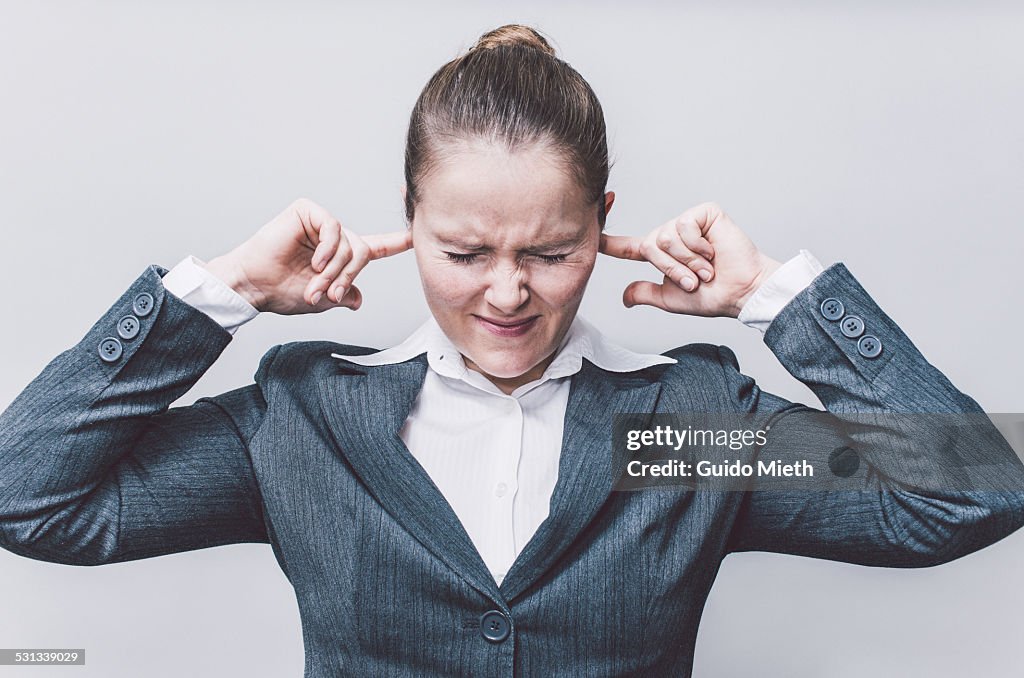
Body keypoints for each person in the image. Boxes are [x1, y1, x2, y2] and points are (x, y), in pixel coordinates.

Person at [1, 23, 1022, 677]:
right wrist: (213, 296)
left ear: (603, 222)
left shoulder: (683, 434)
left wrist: (776, 299)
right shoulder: (306, 421)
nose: (505, 292)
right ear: (407, 216)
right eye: (461, 249)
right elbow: (25, 496)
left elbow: (970, 493)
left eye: (550, 250)